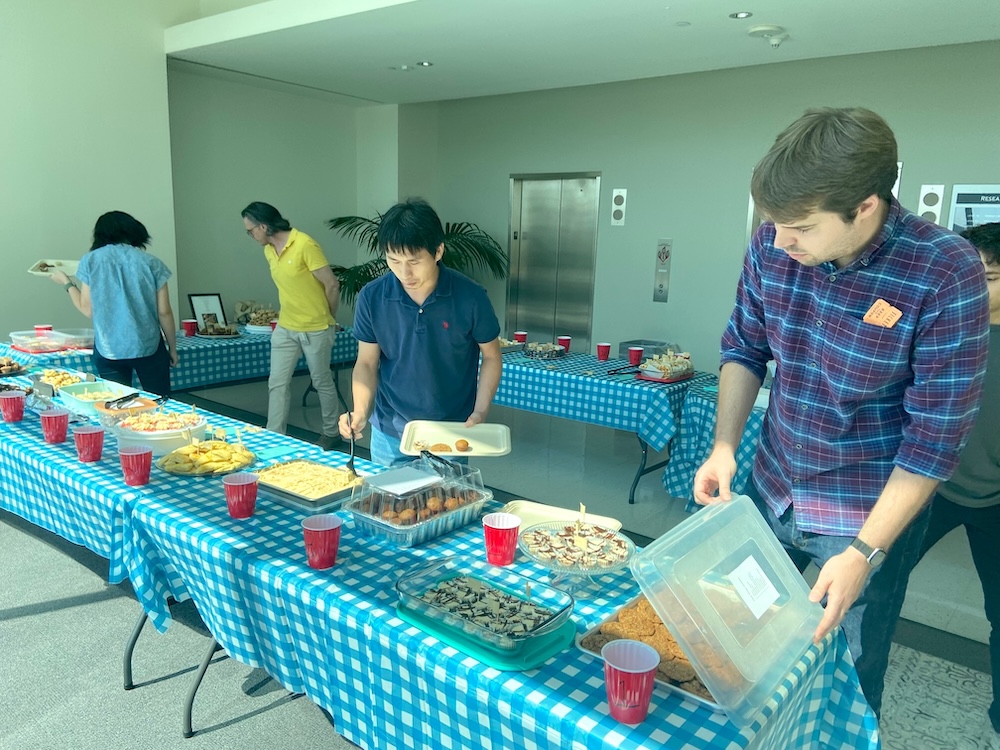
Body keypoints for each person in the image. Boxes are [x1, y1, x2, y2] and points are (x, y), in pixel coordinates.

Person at [692, 107, 990, 719]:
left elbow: (933, 441)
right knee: (735, 632)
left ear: (866, 206)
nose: (780, 241)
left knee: (844, 673)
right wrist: (725, 446)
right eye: (773, 223)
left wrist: (864, 554)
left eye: (799, 226)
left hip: (862, 517)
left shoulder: (944, 270)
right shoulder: (773, 244)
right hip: (773, 484)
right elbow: (744, 346)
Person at [911, 222, 1000, 747]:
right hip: (927, 489)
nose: (970, 285)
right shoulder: (945, 327)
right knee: (869, 585)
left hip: (995, 500)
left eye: (985, 275)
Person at [339, 199, 502, 467]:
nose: (405, 272)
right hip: (390, 431)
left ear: (438, 251)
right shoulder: (372, 296)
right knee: (390, 506)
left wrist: (481, 411)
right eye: (394, 260)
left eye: (414, 261)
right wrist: (359, 411)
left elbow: (492, 357)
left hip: (450, 430)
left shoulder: (471, 297)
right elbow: (367, 362)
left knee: (445, 505)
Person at [241, 202, 343, 449]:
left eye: (250, 230)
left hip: (315, 328)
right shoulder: (268, 250)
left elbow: (332, 284)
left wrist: (327, 319)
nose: (250, 235)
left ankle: (332, 431)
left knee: (321, 381)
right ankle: (274, 434)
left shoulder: (305, 245)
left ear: (263, 226)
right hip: (285, 327)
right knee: (277, 382)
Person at [49, 211, 178, 395]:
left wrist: (66, 282)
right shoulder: (152, 263)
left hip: (109, 348)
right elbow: (164, 312)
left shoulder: (91, 260)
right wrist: (172, 349)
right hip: (149, 346)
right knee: (160, 401)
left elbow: (87, 309)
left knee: (116, 405)